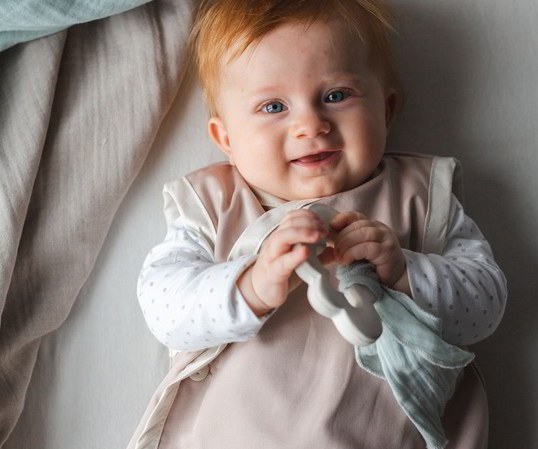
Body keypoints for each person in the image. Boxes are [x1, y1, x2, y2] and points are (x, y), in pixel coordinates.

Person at [132, 0, 507, 447]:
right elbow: (164, 309)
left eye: (336, 96)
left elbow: (486, 305)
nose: (311, 124)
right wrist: (250, 286)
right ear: (226, 138)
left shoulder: (419, 195)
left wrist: (405, 272)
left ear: (386, 111)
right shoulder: (215, 205)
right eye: (273, 107)